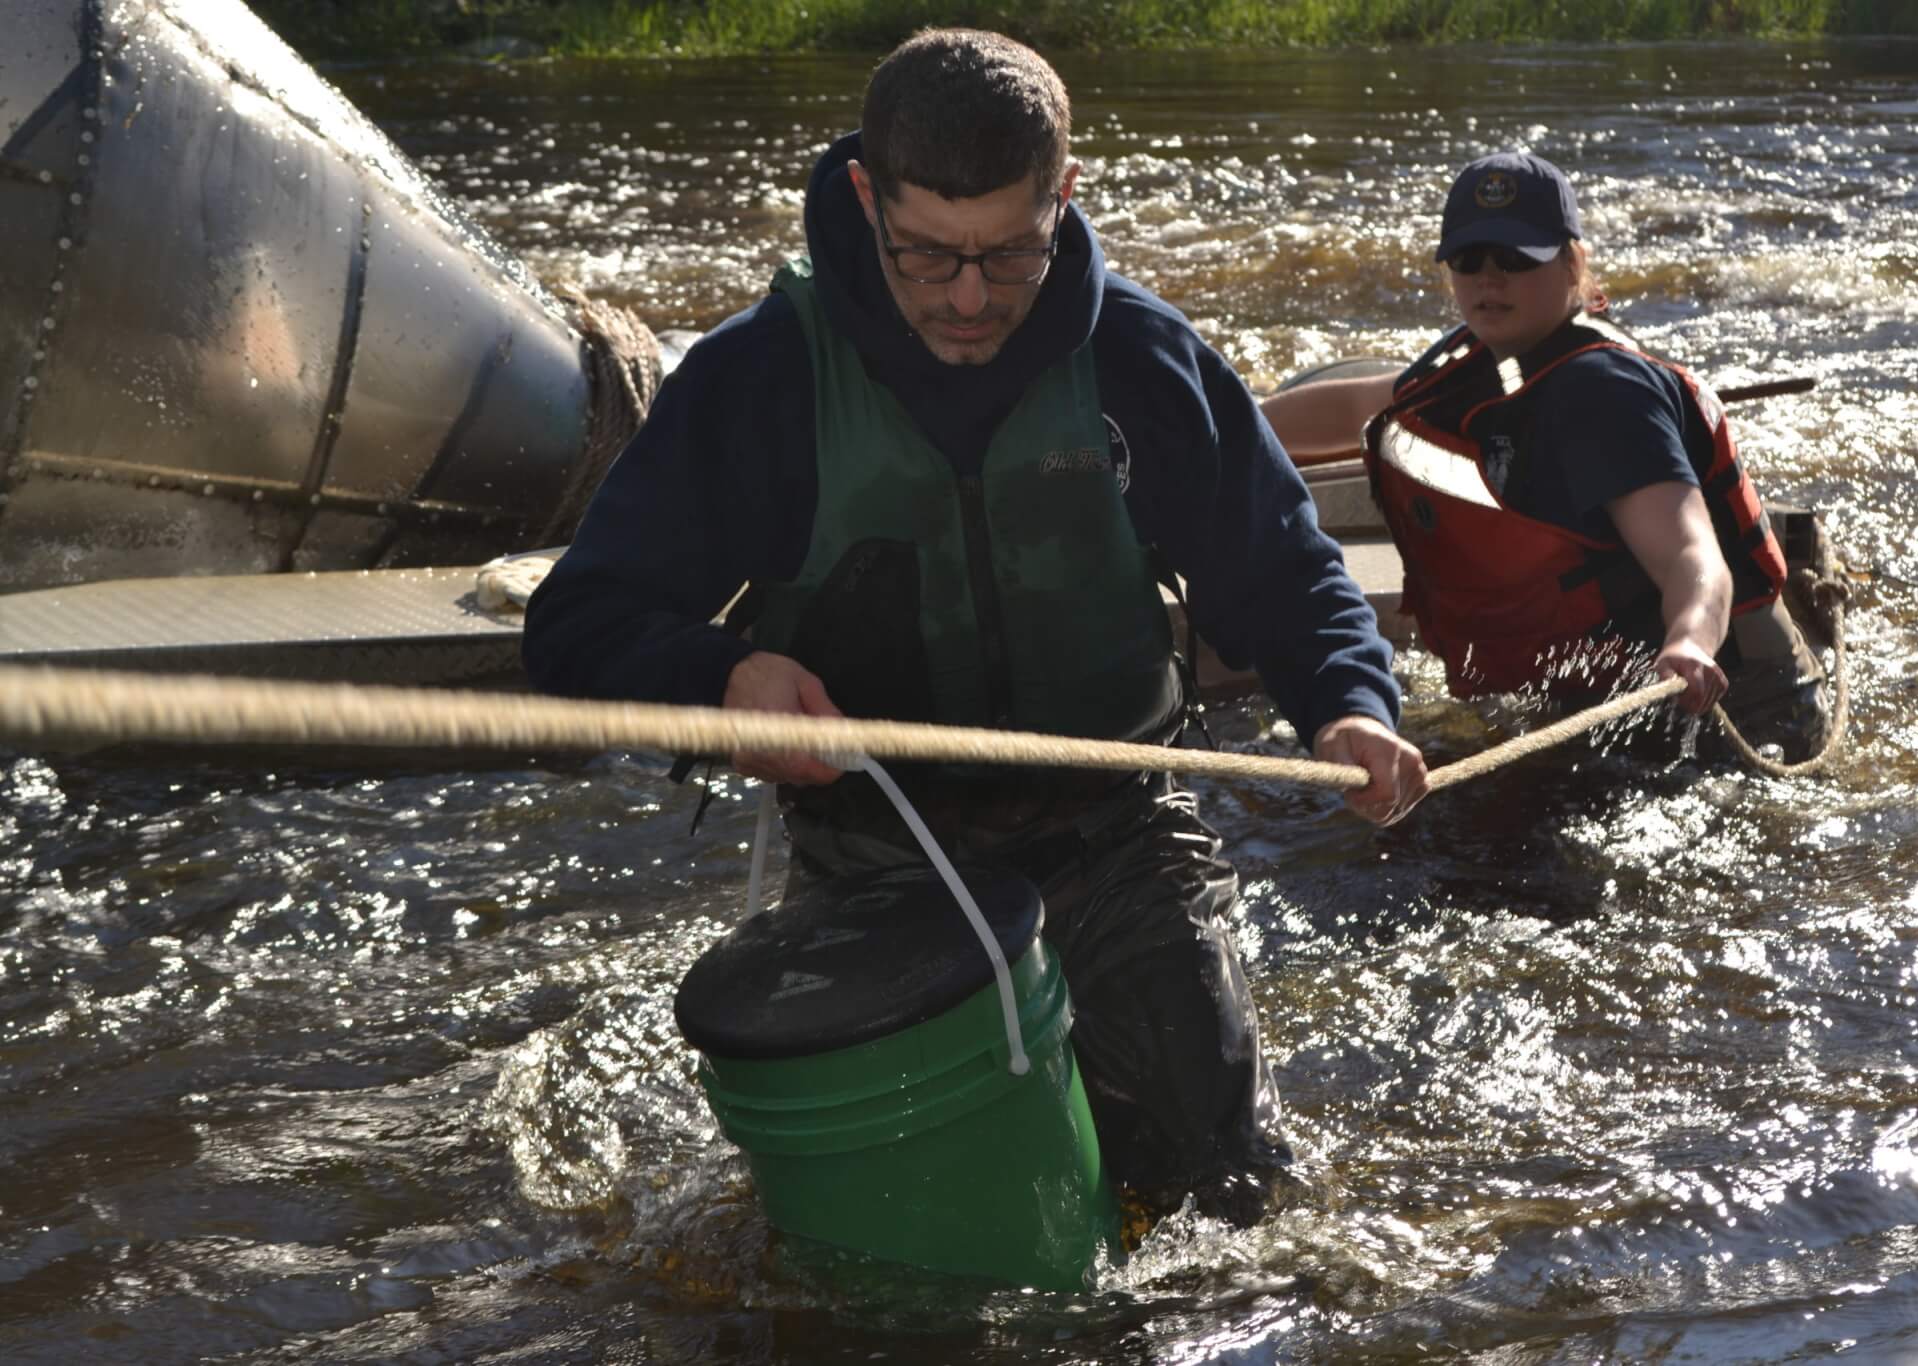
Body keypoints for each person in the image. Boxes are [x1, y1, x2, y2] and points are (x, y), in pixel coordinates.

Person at [522, 29, 1428, 1221]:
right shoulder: (758, 383)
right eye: (924, 254)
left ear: (1064, 195)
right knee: (930, 1243)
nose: (964, 297)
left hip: (1118, 831)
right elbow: (576, 624)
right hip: (875, 855)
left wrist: (1349, 703)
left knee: (1225, 1196)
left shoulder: (1144, 364)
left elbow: (1285, 570)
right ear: (864, 195)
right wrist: (719, 673)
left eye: (1007, 256)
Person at [1262, 151, 1826, 753]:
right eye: (1468, 259)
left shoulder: (1609, 394)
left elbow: (1693, 556)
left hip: (1728, 703)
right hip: (1592, 695)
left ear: (1571, 264)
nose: (1488, 278)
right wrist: (1215, 426)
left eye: (1514, 259)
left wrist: (1688, 640)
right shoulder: (1480, 364)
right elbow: (1353, 410)